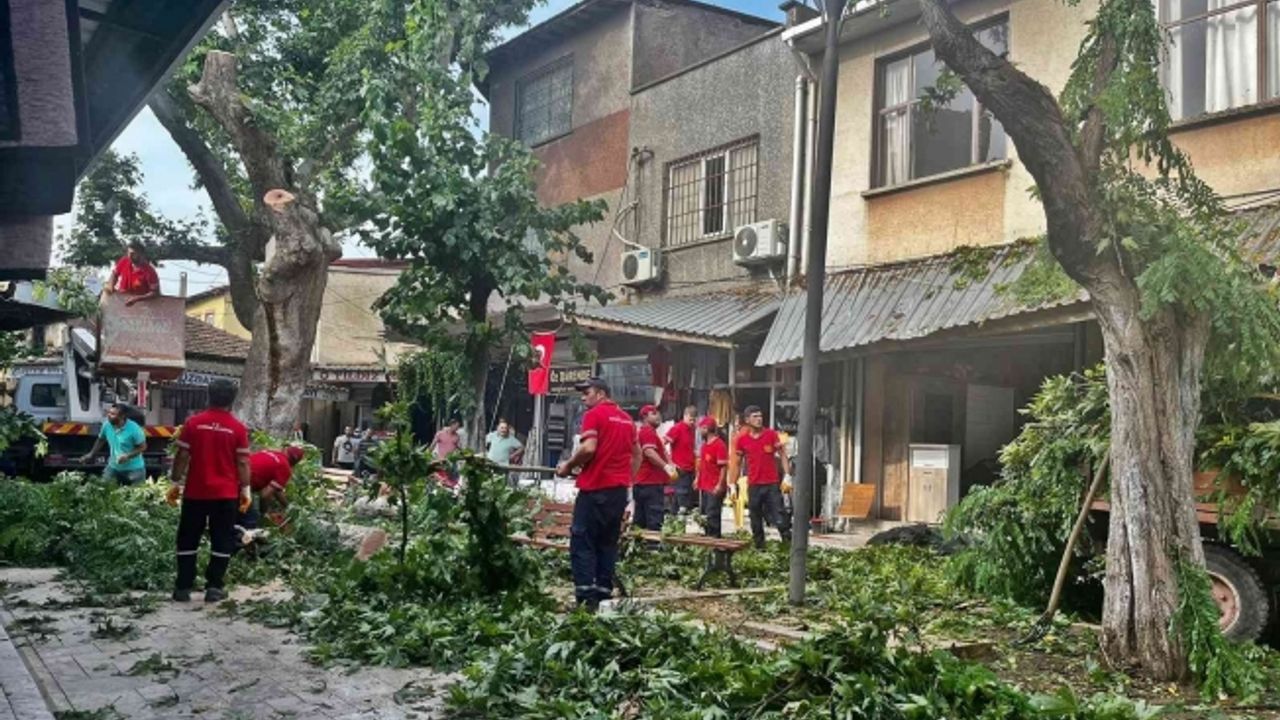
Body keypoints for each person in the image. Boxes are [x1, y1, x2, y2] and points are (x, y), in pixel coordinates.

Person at [555, 376, 639, 612]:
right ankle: (603, 598)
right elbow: (637, 455)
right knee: (607, 543)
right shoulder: (626, 419)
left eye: (587, 392)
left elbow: (589, 448)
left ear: (601, 393)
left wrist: (568, 466)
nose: (583, 398)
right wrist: (625, 479)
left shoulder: (595, 414)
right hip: (617, 493)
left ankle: (585, 601)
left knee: (582, 542)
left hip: (594, 490)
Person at [165, 379, 250, 603]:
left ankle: (183, 588)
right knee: (222, 539)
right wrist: (247, 489)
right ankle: (214, 587)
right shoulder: (238, 428)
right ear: (233, 399)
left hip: (195, 493)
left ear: (208, 396)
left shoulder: (193, 424)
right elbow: (242, 463)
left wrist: (174, 483)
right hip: (225, 495)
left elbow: (182, 456)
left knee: (187, 538)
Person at [735, 405, 793, 549]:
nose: (759, 419)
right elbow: (737, 463)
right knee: (755, 519)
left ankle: (788, 547)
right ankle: (759, 548)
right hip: (753, 484)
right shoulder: (742, 440)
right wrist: (733, 484)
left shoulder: (771, 435)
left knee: (780, 517)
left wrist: (787, 475)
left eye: (760, 416)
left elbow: (783, 455)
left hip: (771, 484)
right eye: (755, 416)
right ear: (747, 420)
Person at [237, 446, 305, 543]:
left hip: (231, 479)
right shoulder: (285, 467)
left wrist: (288, 506)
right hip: (241, 489)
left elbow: (276, 490)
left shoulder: (270, 452)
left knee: (239, 514)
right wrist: (264, 514)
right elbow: (265, 495)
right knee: (251, 522)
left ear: (285, 451)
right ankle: (240, 549)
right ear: (294, 463)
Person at [78, 403, 147, 485]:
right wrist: (91, 454)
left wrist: (127, 456)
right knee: (104, 489)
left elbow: (142, 447)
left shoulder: (134, 429)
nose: (109, 416)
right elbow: (101, 439)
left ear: (122, 416)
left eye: (113, 414)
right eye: (109, 413)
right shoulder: (107, 425)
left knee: (136, 496)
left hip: (134, 469)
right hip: (113, 467)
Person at [633, 404, 675, 533]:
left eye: (658, 413)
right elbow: (649, 452)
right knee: (654, 521)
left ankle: (640, 549)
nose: (658, 416)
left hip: (644, 482)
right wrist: (666, 466)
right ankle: (653, 550)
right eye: (654, 413)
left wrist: (671, 464)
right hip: (650, 483)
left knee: (641, 522)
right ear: (645, 417)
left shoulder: (649, 432)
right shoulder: (647, 431)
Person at [695, 416, 729, 537]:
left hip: (714, 487)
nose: (699, 431)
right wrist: (697, 479)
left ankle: (715, 541)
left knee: (713, 515)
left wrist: (720, 485)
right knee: (705, 516)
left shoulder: (719, 445)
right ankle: (708, 540)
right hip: (704, 486)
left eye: (701, 428)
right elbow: (702, 465)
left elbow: (724, 467)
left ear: (706, 429)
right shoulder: (705, 445)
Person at [104, 241, 160, 306]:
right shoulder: (124, 261)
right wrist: (111, 285)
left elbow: (155, 293)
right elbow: (114, 274)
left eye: (133, 254)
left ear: (141, 254)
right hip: (122, 301)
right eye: (128, 253)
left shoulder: (150, 271)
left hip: (141, 306)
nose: (129, 256)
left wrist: (137, 299)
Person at [664, 405, 698, 514]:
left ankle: (674, 520)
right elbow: (662, 444)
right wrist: (670, 462)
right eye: (690, 419)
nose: (692, 422)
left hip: (690, 468)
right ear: (685, 416)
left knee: (684, 497)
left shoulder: (692, 430)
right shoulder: (677, 428)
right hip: (679, 469)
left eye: (694, 420)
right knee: (682, 497)